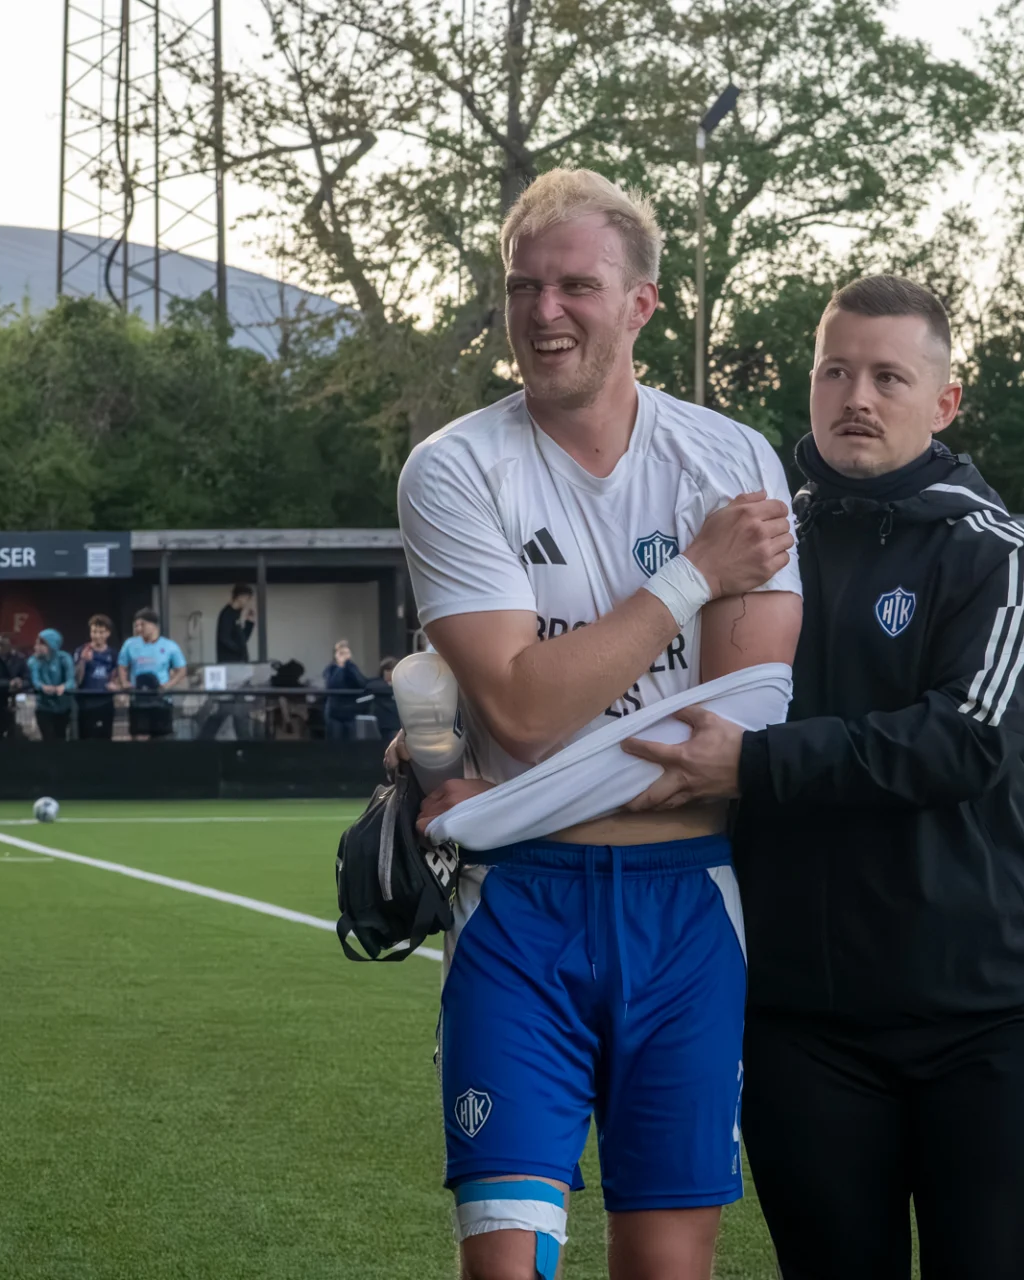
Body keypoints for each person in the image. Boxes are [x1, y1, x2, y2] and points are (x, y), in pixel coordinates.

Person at [619, 274, 1024, 1279]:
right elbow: (621, 667)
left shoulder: (1000, 555)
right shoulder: (741, 542)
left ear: (944, 401)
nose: (856, 396)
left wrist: (754, 763)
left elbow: (966, 740)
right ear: (810, 382)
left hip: (984, 1021)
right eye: (836, 370)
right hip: (801, 1022)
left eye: (887, 375)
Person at [395, 168, 801, 1280]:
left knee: (667, 1266)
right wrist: (689, 580)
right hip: (519, 910)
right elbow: (521, 709)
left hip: (688, 911)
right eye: (524, 286)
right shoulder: (454, 468)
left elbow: (740, 721)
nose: (543, 312)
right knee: (504, 1266)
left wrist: (514, 798)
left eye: (577, 285)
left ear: (641, 305)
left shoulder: (732, 461)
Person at [117, 608, 187, 740]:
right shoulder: (130, 644)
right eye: (136, 625)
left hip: (161, 700)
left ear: (153, 625)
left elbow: (182, 670)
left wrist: (168, 685)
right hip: (138, 700)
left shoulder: (169, 646)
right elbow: (122, 666)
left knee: (161, 739)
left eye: (142, 624)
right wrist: (124, 682)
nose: (139, 629)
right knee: (139, 737)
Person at [26, 629, 76, 743]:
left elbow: (71, 680)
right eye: (36, 643)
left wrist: (63, 687)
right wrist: (43, 687)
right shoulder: (33, 661)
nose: (36, 647)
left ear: (51, 645)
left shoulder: (64, 658)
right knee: (48, 739)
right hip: (44, 707)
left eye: (40, 644)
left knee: (61, 738)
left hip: (63, 708)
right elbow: (35, 681)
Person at [74, 616, 119, 739]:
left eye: (101, 632)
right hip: (86, 704)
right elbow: (77, 680)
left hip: (105, 703)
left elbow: (117, 675)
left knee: (105, 739)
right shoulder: (81, 650)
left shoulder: (113, 653)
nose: (97, 635)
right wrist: (83, 661)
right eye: (94, 631)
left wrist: (115, 685)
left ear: (108, 633)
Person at [322, 640, 367, 741]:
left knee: (351, 742)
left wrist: (349, 666)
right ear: (335, 655)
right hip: (335, 712)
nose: (344, 656)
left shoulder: (352, 668)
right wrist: (341, 667)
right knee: (335, 742)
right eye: (341, 653)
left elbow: (361, 683)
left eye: (346, 653)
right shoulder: (331, 669)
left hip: (351, 711)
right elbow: (331, 685)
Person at [216, 585, 256, 664]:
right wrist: (240, 650)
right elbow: (224, 638)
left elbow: (242, 640)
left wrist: (249, 623)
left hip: (238, 661)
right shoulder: (227, 614)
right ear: (240, 597)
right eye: (247, 599)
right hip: (230, 662)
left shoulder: (237, 614)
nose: (248, 602)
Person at [369, 657, 402, 744]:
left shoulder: (402, 686)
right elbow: (370, 687)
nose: (390, 673)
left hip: (400, 724)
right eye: (388, 670)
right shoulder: (377, 685)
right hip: (386, 724)